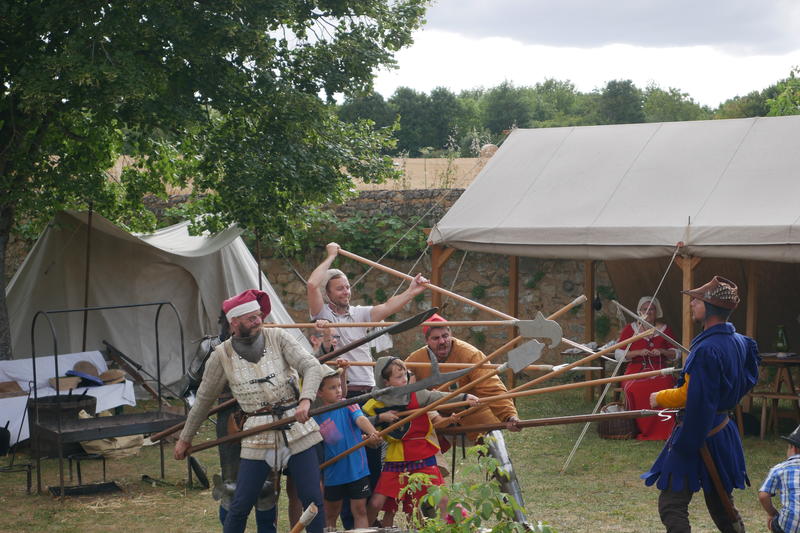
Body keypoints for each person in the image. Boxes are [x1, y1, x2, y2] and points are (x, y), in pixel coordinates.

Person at [174, 289, 326, 533]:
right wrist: (185, 439)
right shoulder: (221, 354)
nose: (259, 321)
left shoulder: (277, 337)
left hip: (298, 428)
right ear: (234, 322)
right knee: (240, 503)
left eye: (259, 316)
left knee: (313, 499)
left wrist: (306, 400)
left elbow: (311, 366)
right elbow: (203, 399)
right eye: (252, 318)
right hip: (257, 434)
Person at [307, 241, 429, 528]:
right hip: (341, 394)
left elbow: (386, 308)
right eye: (339, 288)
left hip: (369, 391)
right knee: (342, 455)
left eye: (348, 286)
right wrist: (332, 256)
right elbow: (312, 286)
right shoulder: (322, 317)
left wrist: (412, 290)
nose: (346, 291)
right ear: (328, 293)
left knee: (372, 456)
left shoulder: (360, 313)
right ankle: (344, 521)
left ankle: (364, 523)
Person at [644, 276, 760, 533]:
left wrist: (662, 398)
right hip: (722, 429)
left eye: (696, 300)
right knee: (722, 505)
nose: (691, 304)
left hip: (699, 430)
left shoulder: (708, 349)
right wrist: (723, 398)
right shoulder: (741, 342)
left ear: (709, 307)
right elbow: (747, 378)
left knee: (672, 504)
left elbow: (696, 397)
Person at [361, 356, 478, 525]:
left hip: (422, 455)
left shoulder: (417, 394)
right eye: (399, 377)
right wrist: (380, 418)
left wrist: (465, 397)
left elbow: (440, 397)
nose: (405, 379)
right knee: (376, 503)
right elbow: (360, 422)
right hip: (396, 458)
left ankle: (452, 528)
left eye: (405, 374)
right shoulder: (374, 404)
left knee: (442, 499)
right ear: (386, 382)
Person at [405, 313, 521, 440]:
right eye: (436, 338)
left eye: (445, 336)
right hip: (434, 415)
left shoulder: (471, 355)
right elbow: (400, 383)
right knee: (416, 435)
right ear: (427, 341)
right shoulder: (415, 360)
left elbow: (491, 387)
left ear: (451, 334)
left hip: (472, 411)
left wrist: (509, 416)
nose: (442, 341)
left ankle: (502, 458)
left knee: (492, 439)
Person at [314, 366, 381, 530]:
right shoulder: (316, 416)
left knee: (359, 510)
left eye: (339, 386)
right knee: (331, 513)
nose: (338, 391)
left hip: (357, 469)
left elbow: (360, 420)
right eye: (332, 388)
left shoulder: (348, 404)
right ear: (319, 393)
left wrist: (373, 433)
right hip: (333, 472)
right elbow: (330, 441)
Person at [615, 296, 679, 440]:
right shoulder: (631, 329)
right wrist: (637, 352)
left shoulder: (664, 329)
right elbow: (618, 354)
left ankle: (665, 430)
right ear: (639, 311)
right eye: (645, 309)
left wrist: (662, 351)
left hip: (660, 370)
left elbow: (676, 353)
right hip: (636, 370)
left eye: (652, 309)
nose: (648, 312)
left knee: (666, 385)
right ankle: (640, 428)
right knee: (634, 387)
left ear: (657, 311)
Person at [759, 424, 800, 533]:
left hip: (789, 525)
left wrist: (772, 514)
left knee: (774, 522)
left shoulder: (780, 469)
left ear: (793, 448)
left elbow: (763, 495)